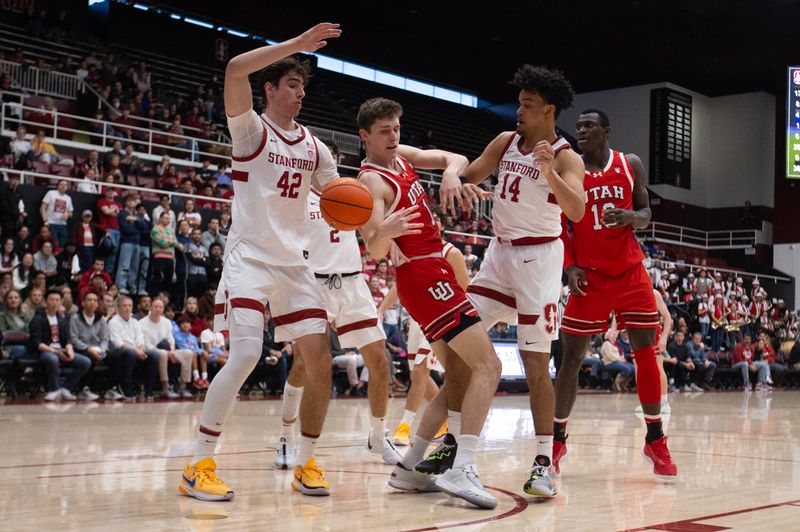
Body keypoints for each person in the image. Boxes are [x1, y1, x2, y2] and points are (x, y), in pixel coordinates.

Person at [179, 23, 343, 501]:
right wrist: (296, 45)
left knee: (320, 361)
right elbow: (233, 68)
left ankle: (307, 462)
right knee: (247, 354)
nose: (299, 94)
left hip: (294, 264)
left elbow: (338, 197)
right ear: (269, 88)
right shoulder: (250, 128)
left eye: (303, 87)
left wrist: (377, 224)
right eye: (292, 84)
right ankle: (198, 464)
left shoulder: (316, 147)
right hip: (249, 256)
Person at [441, 67, 585, 498]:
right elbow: (473, 173)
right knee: (458, 342)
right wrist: (454, 176)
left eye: (526, 105)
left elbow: (576, 210)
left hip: (539, 260)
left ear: (548, 110)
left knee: (537, 365)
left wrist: (550, 174)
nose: (518, 111)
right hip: (500, 255)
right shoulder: (505, 142)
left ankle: (544, 462)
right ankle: (451, 448)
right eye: (518, 103)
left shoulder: (565, 155)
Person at [356, 97, 501, 509]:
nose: (393, 137)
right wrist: (387, 227)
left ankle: (409, 468)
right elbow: (375, 248)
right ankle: (462, 465)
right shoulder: (372, 182)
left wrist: (452, 176)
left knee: (456, 376)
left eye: (396, 128)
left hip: (432, 270)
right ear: (365, 135)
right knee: (488, 366)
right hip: (423, 277)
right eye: (384, 131)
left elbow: (453, 156)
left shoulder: (401, 157)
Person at [553, 108, 676, 482]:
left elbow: (646, 211)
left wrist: (630, 217)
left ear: (606, 131)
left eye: (589, 126)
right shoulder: (568, 170)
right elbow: (560, 224)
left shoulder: (629, 163)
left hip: (629, 272)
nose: (581, 131)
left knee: (646, 354)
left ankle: (655, 439)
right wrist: (569, 266)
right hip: (588, 276)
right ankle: (557, 440)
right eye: (578, 127)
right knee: (571, 358)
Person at [272, 186, 402, 471]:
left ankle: (379, 437)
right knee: (303, 365)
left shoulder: (352, 191)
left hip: (352, 282)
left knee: (380, 362)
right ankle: (286, 435)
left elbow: (371, 239)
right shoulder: (298, 197)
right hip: (313, 283)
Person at [29, 288, 91, 401]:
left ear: (61, 302)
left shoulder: (62, 319)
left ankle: (66, 388)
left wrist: (70, 350)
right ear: (45, 301)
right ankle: (54, 389)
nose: (54, 303)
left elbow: (68, 338)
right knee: (53, 359)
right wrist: (55, 352)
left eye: (57, 300)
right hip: (45, 351)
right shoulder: (37, 319)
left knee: (85, 362)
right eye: (51, 300)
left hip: (61, 350)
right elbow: (37, 343)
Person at [139, 298, 194, 399]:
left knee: (188, 353)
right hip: (152, 351)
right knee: (163, 353)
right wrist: (167, 352)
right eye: (156, 307)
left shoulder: (167, 322)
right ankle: (165, 387)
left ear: (163, 309)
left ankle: (183, 387)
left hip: (169, 350)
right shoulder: (142, 323)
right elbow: (145, 343)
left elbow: (171, 339)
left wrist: (172, 351)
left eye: (160, 307)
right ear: (151, 307)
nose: (158, 309)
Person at [107, 295, 160, 400]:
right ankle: (126, 387)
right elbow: (118, 343)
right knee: (130, 353)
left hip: (136, 350)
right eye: (124, 305)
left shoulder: (135, 322)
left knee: (154, 354)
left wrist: (141, 349)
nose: (127, 308)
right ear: (118, 308)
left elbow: (140, 339)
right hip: (119, 352)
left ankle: (149, 389)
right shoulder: (113, 322)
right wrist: (136, 351)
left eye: (130, 306)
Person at [69, 291, 115, 400]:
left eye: (95, 300)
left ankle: (110, 389)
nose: (92, 302)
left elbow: (104, 338)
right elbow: (74, 339)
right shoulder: (75, 318)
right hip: (81, 348)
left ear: (97, 304)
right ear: (83, 303)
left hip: (98, 349)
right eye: (89, 300)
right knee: (89, 358)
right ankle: (84, 389)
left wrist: (102, 350)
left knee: (115, 358)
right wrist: (89, 349)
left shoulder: (100, 319)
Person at [116, 195, 141, 295]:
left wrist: (135, 221)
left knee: (134, 267)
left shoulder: (136, 214)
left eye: (133, 201)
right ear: (126, 202)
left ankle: (132, 286)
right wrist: (136, 226)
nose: (132, 203)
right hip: (127, 242)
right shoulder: (122, 213)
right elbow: (126, 228)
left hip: (137, 243)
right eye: (129, 201)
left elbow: (143, 227)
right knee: (124, 265)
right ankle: (121, 285)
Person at [40, 179, 74, 249]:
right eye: (61, 184)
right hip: (51, 224)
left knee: (63, 246)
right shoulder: (51, 193)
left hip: (63, 225)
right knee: (53, 245)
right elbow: (42, 207)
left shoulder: (68, 198)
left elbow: (71, 213)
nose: (63, 186)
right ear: (57, 186)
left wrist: (67, 214)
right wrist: (45, 221)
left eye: (65, 185)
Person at [0, 289, 30, 359]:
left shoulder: (25, 315)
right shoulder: (2, 316)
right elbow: (1, 335)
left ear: (20, 300)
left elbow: (30, 330)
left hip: (26, 344)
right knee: (22, 350)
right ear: (6, 301)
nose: (13, 300)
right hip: (10, 347)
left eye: (16, 298)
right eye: (10, 298)